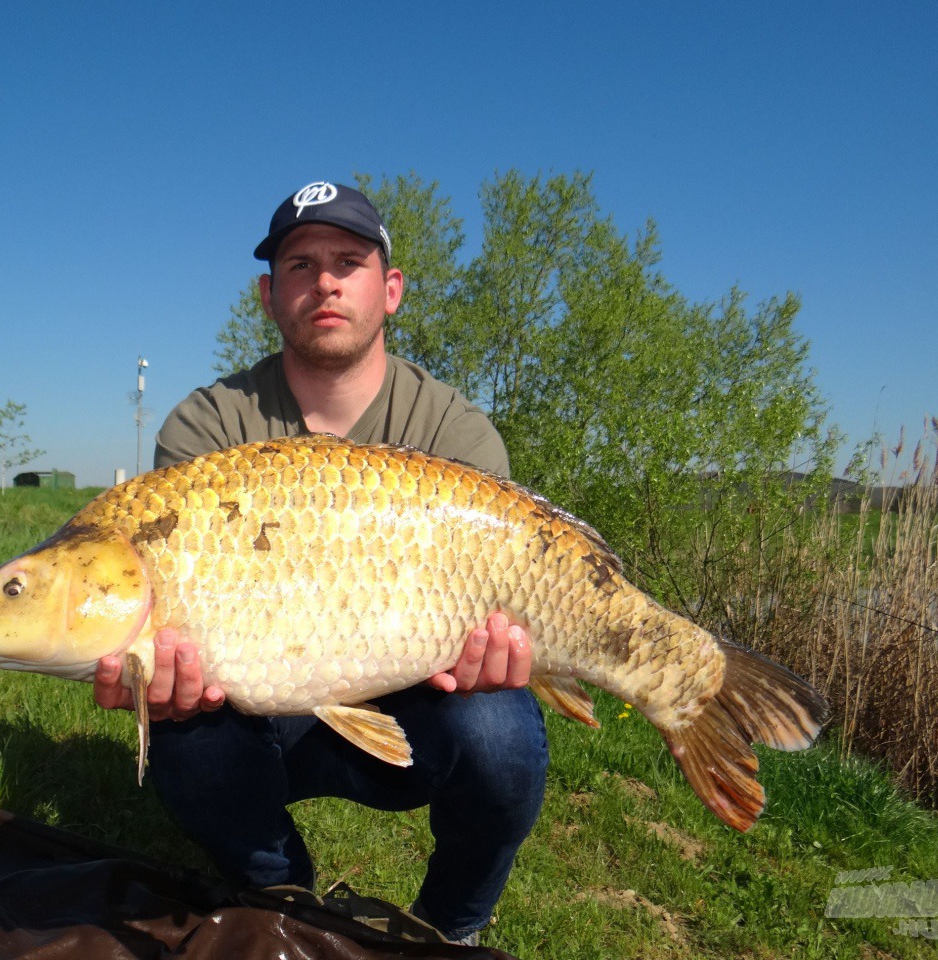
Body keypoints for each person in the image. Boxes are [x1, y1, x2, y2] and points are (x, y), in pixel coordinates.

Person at [94, 181, 548, 946]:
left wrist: (500, 658)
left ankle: (450, 928)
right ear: (271, 295)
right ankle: (277, 890)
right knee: (180, 729)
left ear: (390, 289)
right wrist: (154, 674)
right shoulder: (209, 425)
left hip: (414, 707)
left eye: (348, 261)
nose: (325, 282)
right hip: (257, 717)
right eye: (300, 265)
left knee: (503, 731)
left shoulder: (455, 431)